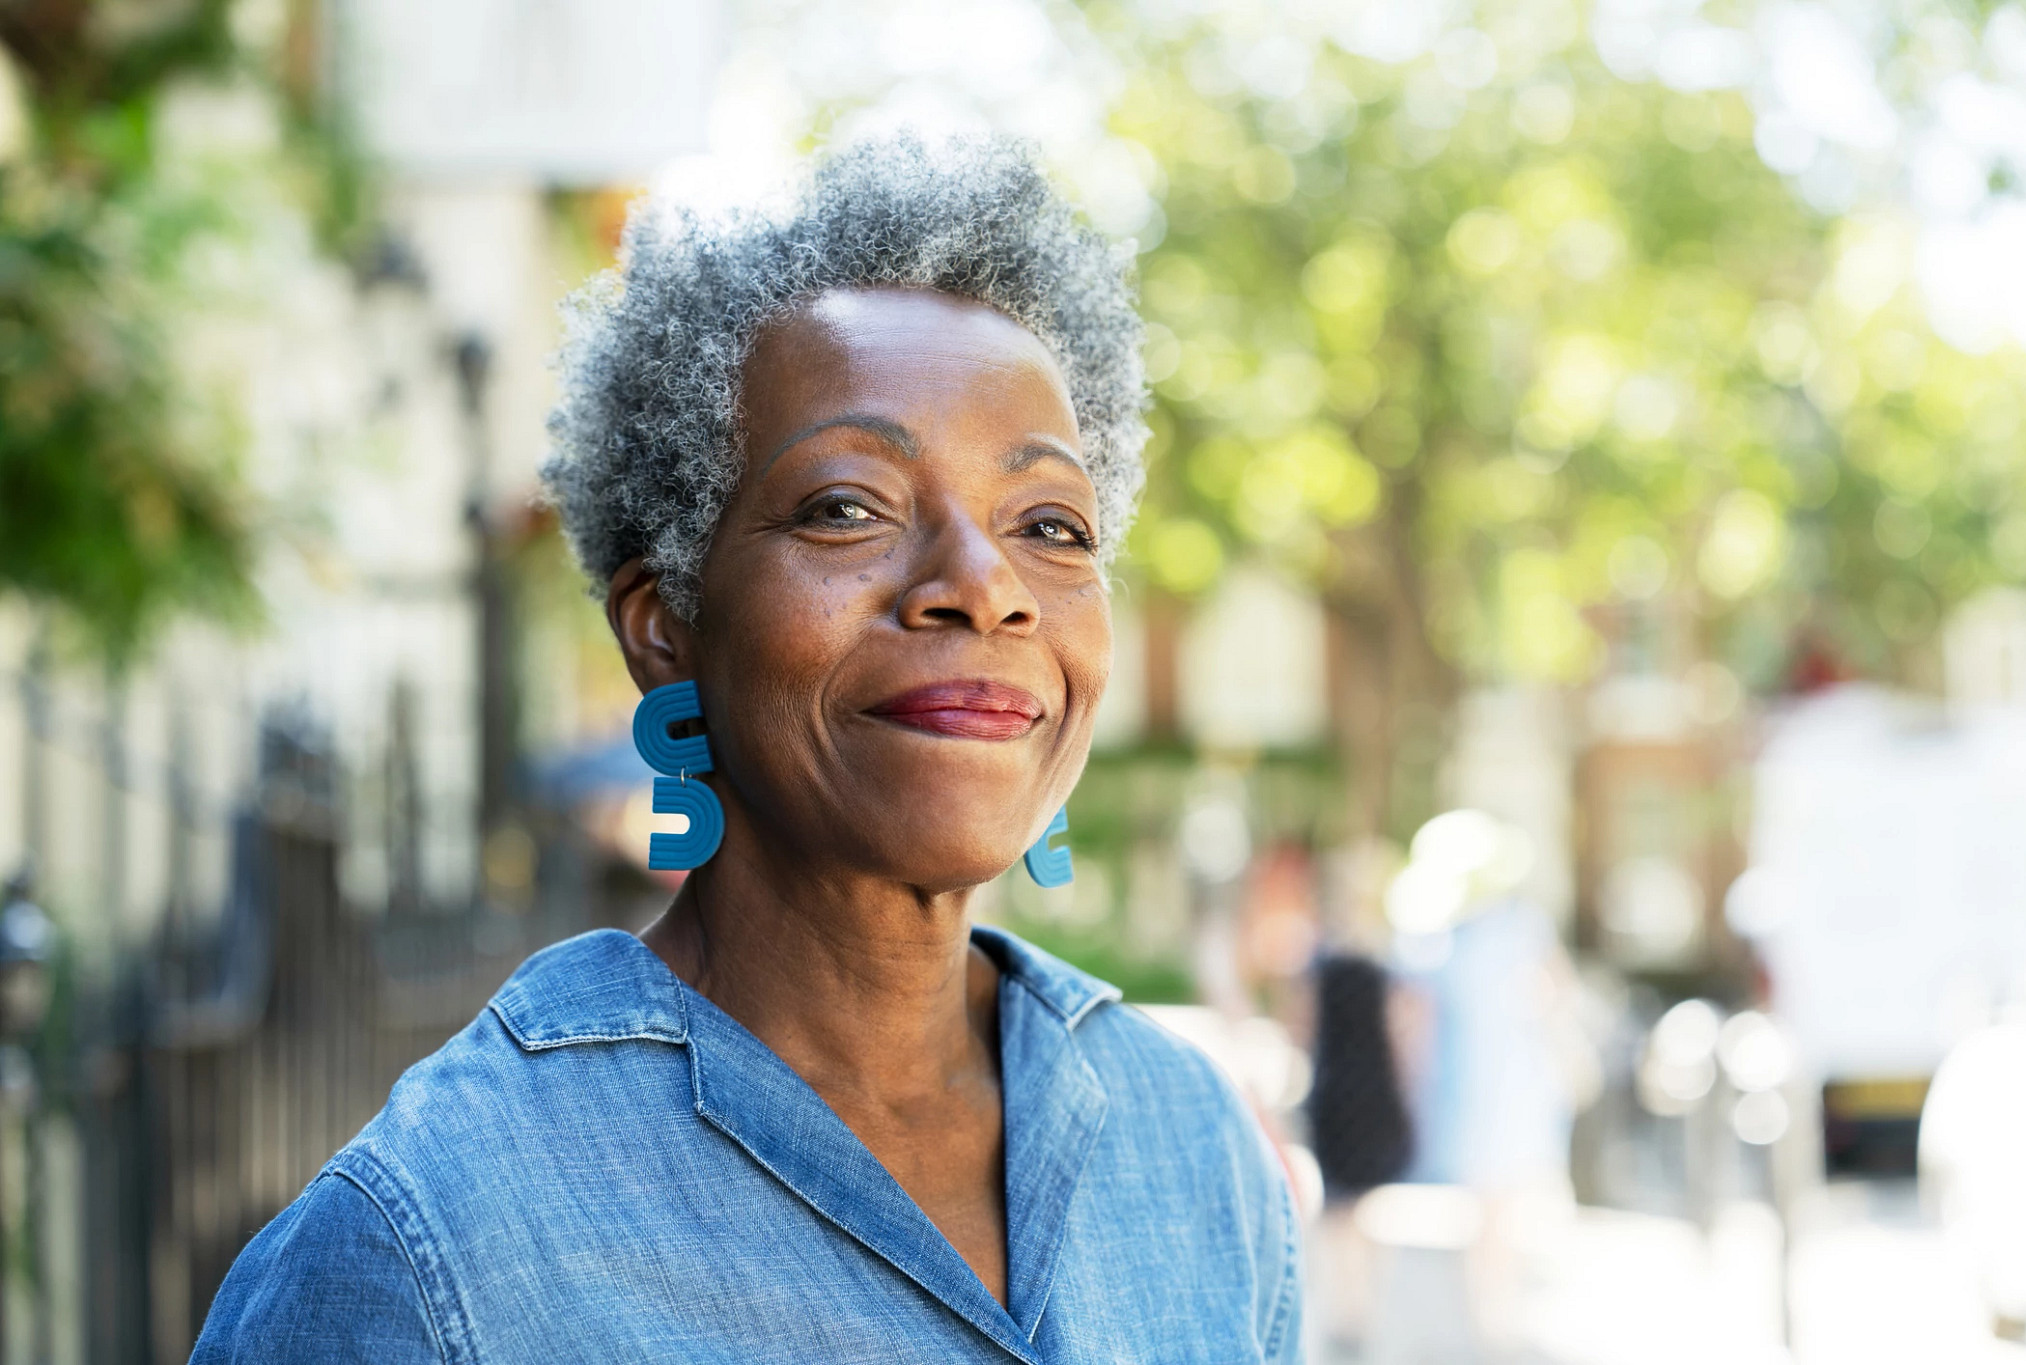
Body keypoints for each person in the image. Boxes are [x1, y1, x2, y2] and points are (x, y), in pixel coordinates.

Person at [193, 136, 1301, 1364]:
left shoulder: (1190, 1142)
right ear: (665, 625)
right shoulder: (427, 1249)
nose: (983, 589)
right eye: (847, 507)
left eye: (1049, 523)